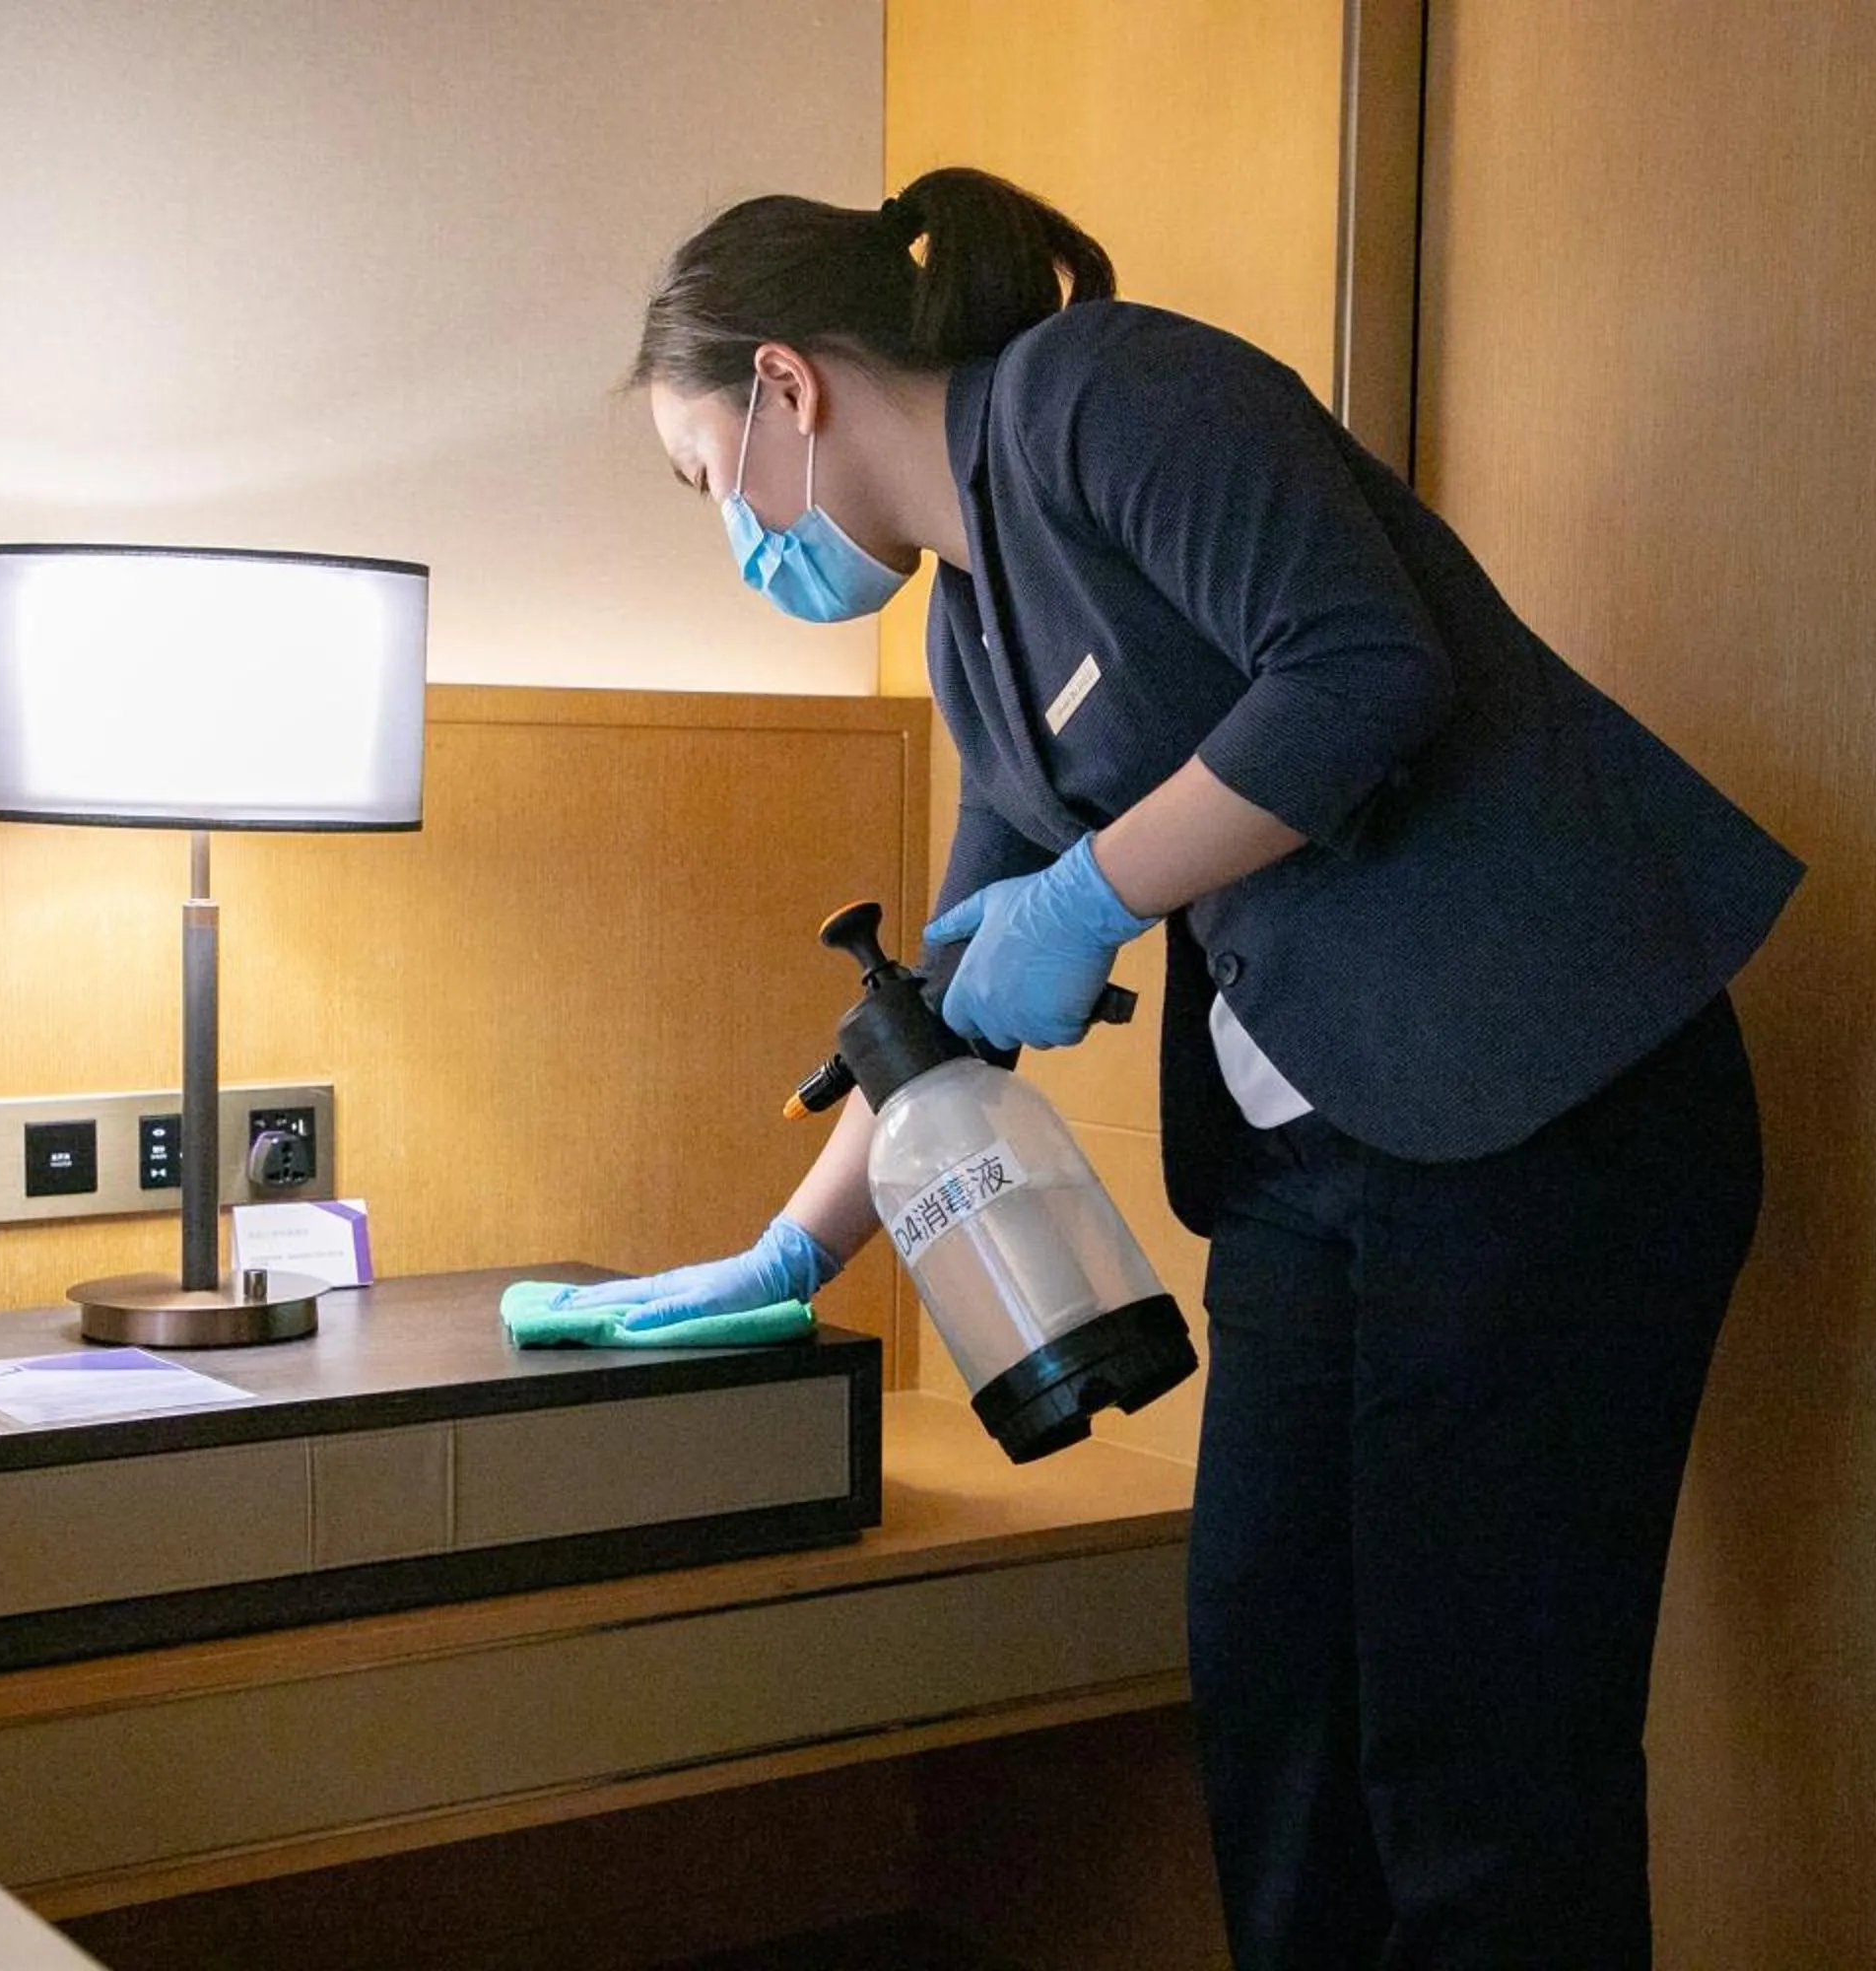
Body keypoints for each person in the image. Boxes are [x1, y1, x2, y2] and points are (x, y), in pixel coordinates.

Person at [577, 167, 1802, 1969]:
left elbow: (1363, 665)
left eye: (711, 484)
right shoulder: (970, 625)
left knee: (1479, 1760)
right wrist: (788, 1258)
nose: (744, 543)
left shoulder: (1104, 394)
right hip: (1322, 1168)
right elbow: (950, 1003)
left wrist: (1092, 887)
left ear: (788, 385)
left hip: (1549, 1119)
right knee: (1270, 1705)